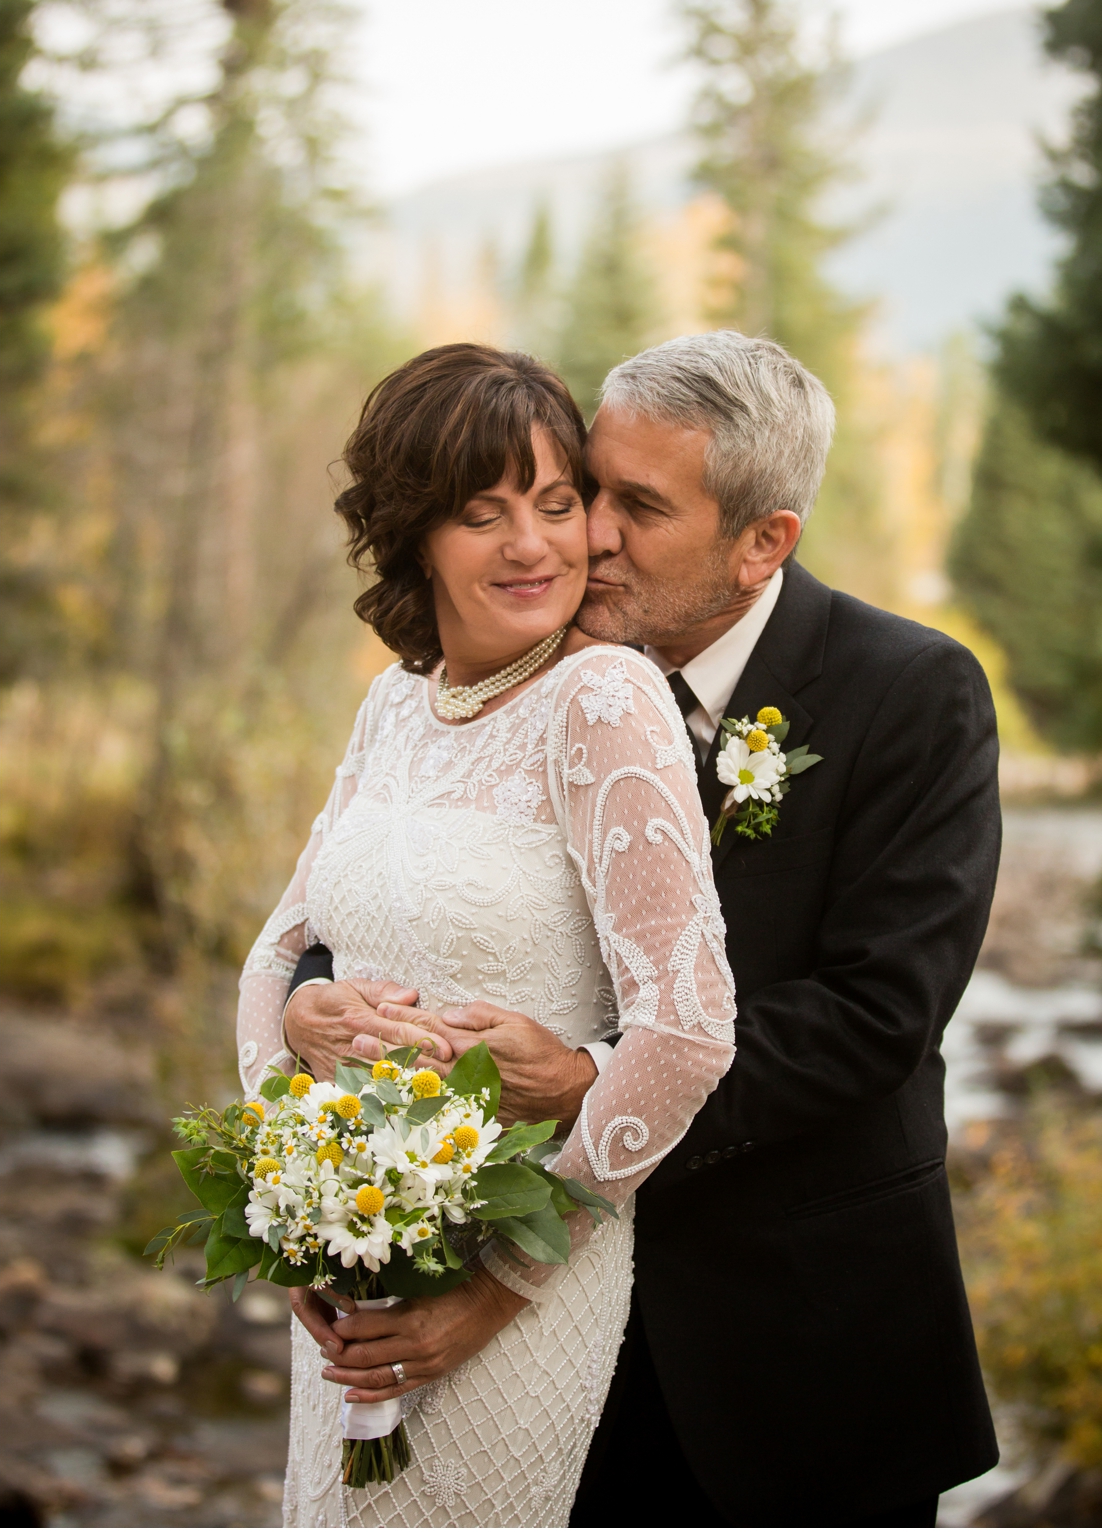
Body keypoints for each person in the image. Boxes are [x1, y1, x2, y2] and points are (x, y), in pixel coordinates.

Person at [282, 330, 1001, 1525]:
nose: (588, 533)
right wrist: (318, 996)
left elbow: (878, 1013)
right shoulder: (526, 663)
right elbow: (410, 879)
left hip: (794, 1338)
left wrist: (594, 1081)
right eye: (589, 487)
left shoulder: (911, 691)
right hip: (551, 1333)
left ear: (763, 540)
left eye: (638, 505)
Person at [234, 342, 737, 1525]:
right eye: (483, 513)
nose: (535, 544)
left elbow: (690, 1031)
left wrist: (498, 1285)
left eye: (558, 505)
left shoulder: (605, 700)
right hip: (358, 1254)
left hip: (516, 1291)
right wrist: (294, 1180)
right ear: (415, 534)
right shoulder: (392, 703)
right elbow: (274, 956)